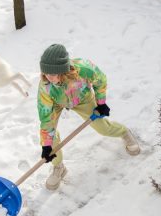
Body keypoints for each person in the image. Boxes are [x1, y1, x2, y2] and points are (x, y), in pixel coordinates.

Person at [37, 43, 140, 190]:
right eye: (46, 73)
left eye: (52, 74)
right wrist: (46, 145)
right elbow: (46, 116)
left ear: (63, 70)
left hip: (82, 97)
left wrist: (101, 103)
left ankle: (123, 132)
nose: (49, 77)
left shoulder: (84, 69)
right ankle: (59, 167)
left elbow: (101, 80)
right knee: (50, 139)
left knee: (102, 128)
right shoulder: (45, 86)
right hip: (56, 102)